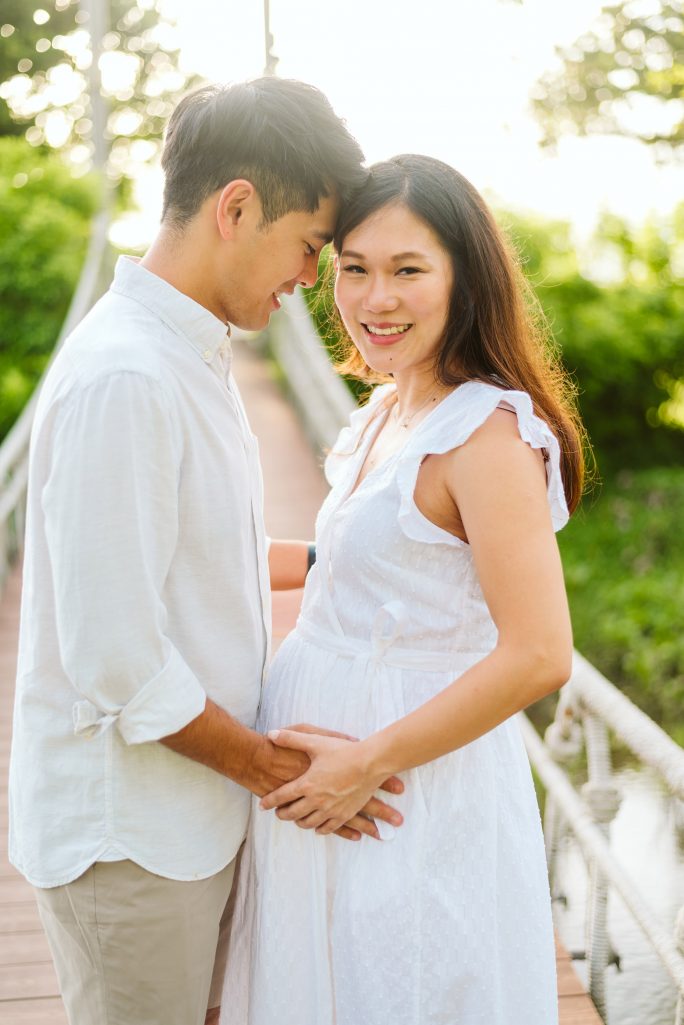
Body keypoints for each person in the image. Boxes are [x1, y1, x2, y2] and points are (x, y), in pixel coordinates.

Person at [7, 79, 404, 1025]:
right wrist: (282, 771)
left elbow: (200, 552)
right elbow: (119, 661)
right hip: (131, 842)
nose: (311, 279)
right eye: (310, 245)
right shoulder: (128, 377)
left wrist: (348, 557)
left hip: (187, 820)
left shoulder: (185, 351)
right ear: (236, 207)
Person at [220, 154, 586, 1025]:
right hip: (329, 784)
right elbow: (350, 563)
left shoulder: (485, 436)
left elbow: (540, 653)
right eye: (354, 268)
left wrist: (365, 762)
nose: (374, 298)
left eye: (408, 270)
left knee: (408, 989)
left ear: (467, 279)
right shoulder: (387, 407)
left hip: (402, 786)